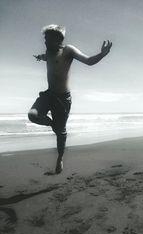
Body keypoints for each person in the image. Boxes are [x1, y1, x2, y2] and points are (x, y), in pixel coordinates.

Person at [28, 24, 112, 174]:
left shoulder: (68, 50)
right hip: (48, 95)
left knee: (60, 133)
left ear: (58, 38)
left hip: (63, 99)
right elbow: (46, 57)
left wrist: (102, 54)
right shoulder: (49, 51)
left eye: (47, 39)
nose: (45, 42)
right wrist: (39, 57)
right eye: (45, 39)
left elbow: (88, 61)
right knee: (32, 115)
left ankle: (60, 158)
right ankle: (54, 125)